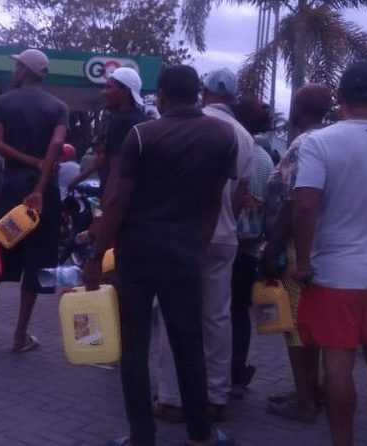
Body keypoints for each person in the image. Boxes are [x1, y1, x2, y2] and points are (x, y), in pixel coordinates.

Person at [82, 65, 237, 446]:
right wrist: (198, 247)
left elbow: (118, 200)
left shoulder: (142, 135)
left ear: (161, 96)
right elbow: (215, 198)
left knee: (134, 349)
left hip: (136, 254)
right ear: (198, 94)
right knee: (189, 344)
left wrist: (96, 252)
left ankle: (141, 436)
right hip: (184, 253)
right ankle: (201, 434)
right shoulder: (223, 135)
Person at [293, 61, 367, 446]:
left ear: (340, 98)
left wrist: (302, 262)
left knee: (337, 368)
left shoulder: (320, 142)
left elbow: (304, 206)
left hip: (334, 274)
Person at [155, 68, 253, 423]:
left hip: (182, 234)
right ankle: (215, 396)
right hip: (224, 235)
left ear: (204, 91)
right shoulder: (244, 135)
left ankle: (170, 397)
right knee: (217, 318)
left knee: (175, 315)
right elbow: (240, 194)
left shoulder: (181, 123)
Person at [0, 48, 67, 353]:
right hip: (43, 195)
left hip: (12, 193)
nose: (14, 71)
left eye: (17, 66)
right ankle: (20, 336)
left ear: (23, 71)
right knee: (35, 262)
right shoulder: (58, 107)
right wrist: (41, 176)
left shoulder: (4, 102)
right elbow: (58, 143)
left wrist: (29, 162)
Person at [261, 84, 332, 424]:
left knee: (296, 328)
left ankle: (305, 403)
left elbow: (294, 203)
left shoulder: (305, 144)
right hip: (322, 246)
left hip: (296, 247)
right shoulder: (329, 139)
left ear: (301, 109)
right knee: (310, 327)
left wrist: (272, 247)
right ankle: (310, 389)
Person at [228, 96, 275, 399]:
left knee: (216, 312)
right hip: (248, 249)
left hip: (221, 240)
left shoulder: (233, 148)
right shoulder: (266, 158)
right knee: (238, 313)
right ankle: (236, 375)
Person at [69, 68, 148, 193]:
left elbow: (116, 171)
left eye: (108, 87)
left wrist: (106, 207)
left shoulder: (120, 123)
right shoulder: (142, 120)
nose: (103, 92)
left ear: (124, 92)